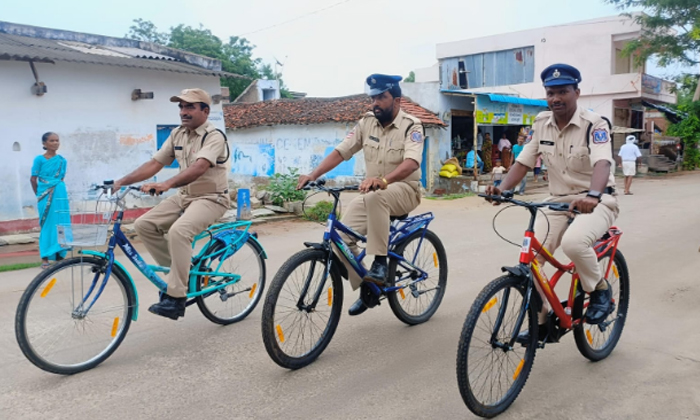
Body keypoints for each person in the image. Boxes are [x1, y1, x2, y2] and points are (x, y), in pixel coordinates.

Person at [485, 63, 619, 341]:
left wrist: (593, 195)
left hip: (597, 200)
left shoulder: (595, 125)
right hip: (557, 202)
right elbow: (523, 161)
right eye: (550, 93)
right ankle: (543, 320)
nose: (556, 98)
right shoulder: (540, 123)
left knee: (573, 243)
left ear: (577, 92)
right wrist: (501, 189)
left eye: (562, 92)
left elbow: (602, 162)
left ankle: (600, 289)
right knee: (531, 260)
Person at [296, 74, 424, 316]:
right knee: (339, 239)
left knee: (376, 196)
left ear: (396, 100)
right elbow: (341, 151)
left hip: (405, 190)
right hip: (373, 192)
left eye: (381, 98)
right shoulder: (366, 123)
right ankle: (368, 288)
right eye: (373, 98)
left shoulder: (412, 125)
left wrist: (384, 180)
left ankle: (380, 263)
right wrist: (313, 174)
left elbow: (411, 162)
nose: (375, 103)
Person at [113, 88, 230, 320]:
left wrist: (166, 184)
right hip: (185, 196)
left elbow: (199, 167)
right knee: (144, 224)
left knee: (179, 231)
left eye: (189, 107)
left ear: (205, 111)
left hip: (211, 197)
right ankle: (183, 273)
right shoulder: (177, 134)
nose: (183, 112)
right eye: (181, 107)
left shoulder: (214, 136)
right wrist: (121, 181)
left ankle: (176, 297)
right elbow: (155, 163)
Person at [31, 132, 69, 269]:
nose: (55, 143)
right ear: (44, 143)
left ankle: (60, 255)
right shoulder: (39, 160)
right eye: (52, 141)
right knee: (47, 223)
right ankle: (45, 257)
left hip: (60, 193)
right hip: (44, 195)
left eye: (57, 140)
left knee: (61, 222)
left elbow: (61, 178)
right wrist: (39, 194)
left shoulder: (62, 160)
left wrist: (57, 189)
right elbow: (33, 178)